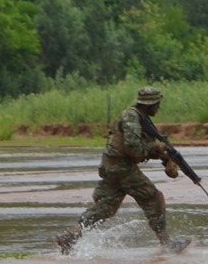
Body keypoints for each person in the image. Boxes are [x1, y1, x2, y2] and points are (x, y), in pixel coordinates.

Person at [55, 86, 187, 253]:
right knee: (154, 199)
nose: (158, 108)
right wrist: (155, 148)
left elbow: (137, 147)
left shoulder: (139, 118)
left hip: (113, 166)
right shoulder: (132, 117)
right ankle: (167, 244)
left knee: (106, 207)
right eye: (157, 104)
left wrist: (161, 153)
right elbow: (133, 148)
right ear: (150, 104)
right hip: (121, 167)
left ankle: (71, 236)